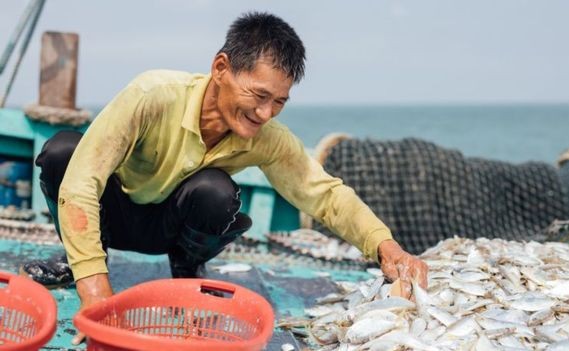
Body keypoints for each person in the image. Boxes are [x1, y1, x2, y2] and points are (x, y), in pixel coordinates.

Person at [20, 12, 429, 344]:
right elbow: (83, 181)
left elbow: (324, 194)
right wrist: (95, 293)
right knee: (63, 153)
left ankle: (187, 267)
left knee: (216, 190)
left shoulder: (268, 139)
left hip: (169, 231)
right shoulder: (152, 94)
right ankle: (81, 263)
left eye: (279, 102)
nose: (266, 114)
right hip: (113, 219)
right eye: (259, 95)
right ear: (221, 68)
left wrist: (385, 246)